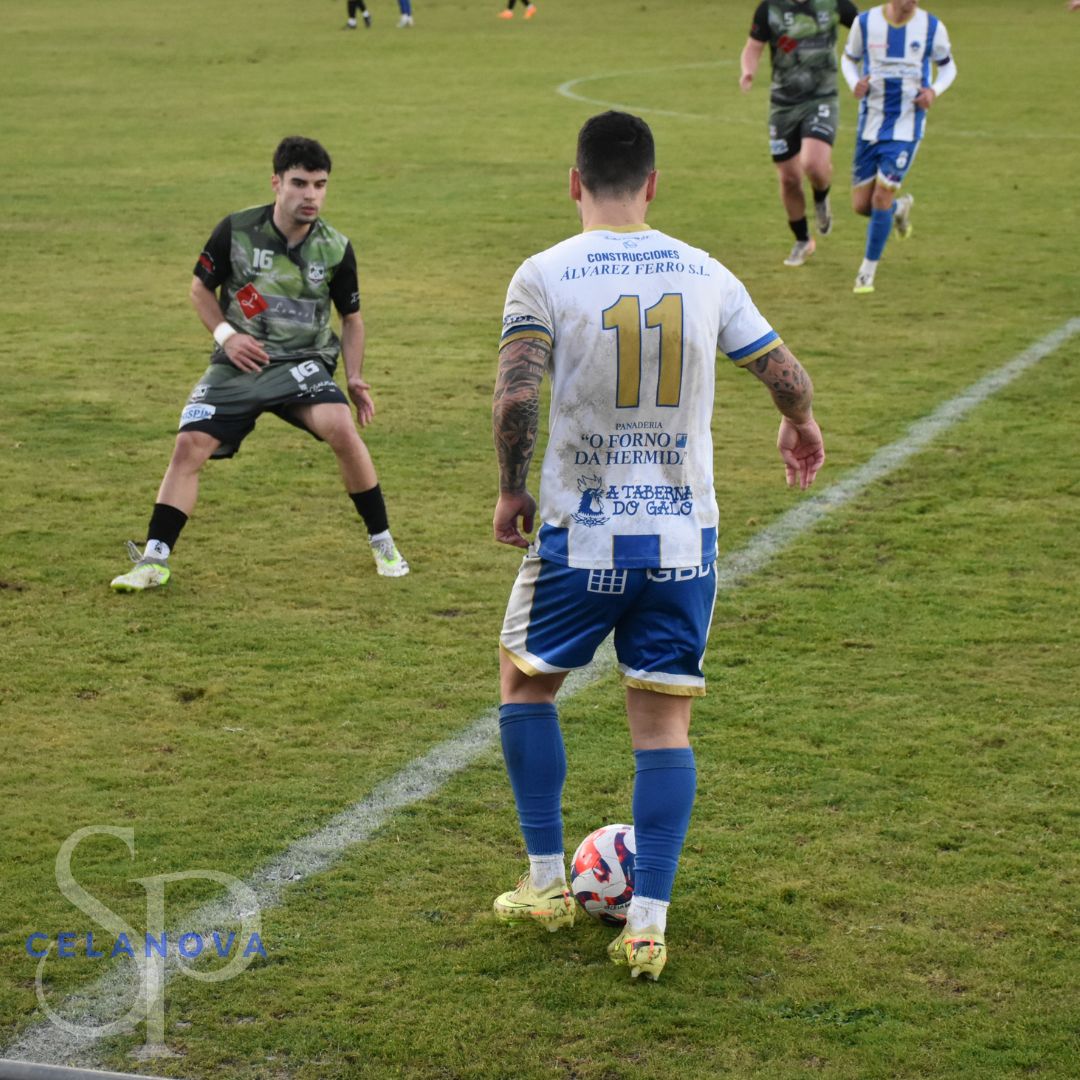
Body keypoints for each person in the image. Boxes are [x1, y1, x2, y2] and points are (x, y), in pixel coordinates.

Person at [490, 111, 825, 981]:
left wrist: (511, 485)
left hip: (583, 533)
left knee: (526, 684)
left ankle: (546, 884)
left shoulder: (545, 273)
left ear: (574, 184)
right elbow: (785, 371)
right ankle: (647, 926)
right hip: (684, 538)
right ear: (653, 185)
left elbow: (515, 397)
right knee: (662, 723)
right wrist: (800, 424)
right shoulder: (705, 270)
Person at [111, 136, 409, 592]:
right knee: (189, 445)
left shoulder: (335, 248)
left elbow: (352, 319)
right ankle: (154, 559)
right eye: (299, 183)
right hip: (241, 364)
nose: (310, 195)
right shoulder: (236, 230)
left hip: (303, 364)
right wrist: (228, 338)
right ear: (276, 183)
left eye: (320, 185)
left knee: (341, 426)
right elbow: (199, 290)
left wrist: (354, 377)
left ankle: (383, 542)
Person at [841, 0, 957, 293]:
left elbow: (948, 67)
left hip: (907, 126)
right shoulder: (865, 23)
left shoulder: (932, 26)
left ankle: (866, 274)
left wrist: (934, 91)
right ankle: (899, 209)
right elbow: (848, 58)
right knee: (861, 205)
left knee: (880, 196)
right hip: (870, 124)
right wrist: (854, 82)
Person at [739, 0, 859, 267]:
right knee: (789, 179)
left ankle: (821, 198)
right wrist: (748, 71)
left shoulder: (833, 4)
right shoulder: (769, 9)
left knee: (813, 164)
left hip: (822, 98)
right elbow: (753, 47)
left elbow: (865, 27)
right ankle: (803, 240)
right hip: (782, 105)